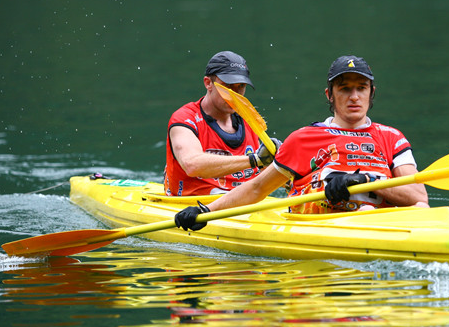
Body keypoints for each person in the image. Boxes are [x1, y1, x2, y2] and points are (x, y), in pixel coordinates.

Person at [175, 55, 429, 230]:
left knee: (417, 209)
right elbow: (257, 189)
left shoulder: (393, 138)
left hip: (386, 223)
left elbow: (419, 197)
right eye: (344, 89)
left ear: (372, 93)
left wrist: (365, 181)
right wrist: (206, 211)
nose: (354, 97)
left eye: (361, 88)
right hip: (322, 226)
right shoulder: (303, 139)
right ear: (330, 95)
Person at [164, 51, 278, 196]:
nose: (234, 94)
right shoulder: (185, 119)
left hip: (244, 202)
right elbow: (192, 165)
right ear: (208, 83)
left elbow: (265, 175)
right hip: (191, 204)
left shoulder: (250, 120)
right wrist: (255, 160)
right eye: (227, 86)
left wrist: (279, 163)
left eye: (241, 86)